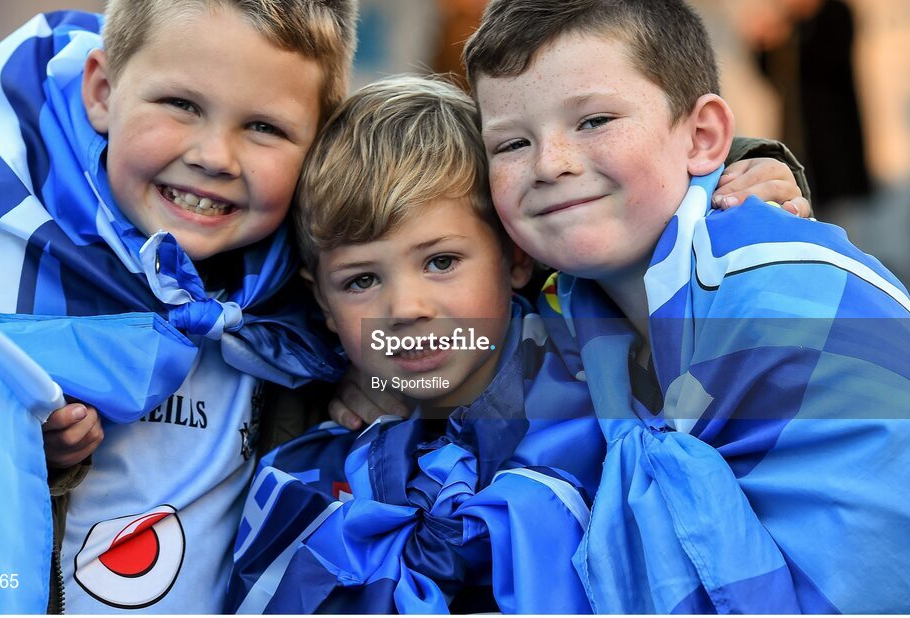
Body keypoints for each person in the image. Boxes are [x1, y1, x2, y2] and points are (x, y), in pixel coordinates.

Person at [0, 0, 356, 613]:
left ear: (320, 143)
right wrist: (22, 450)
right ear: (103, 91)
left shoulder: (313, 308)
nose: (212, 156)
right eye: (180, 104)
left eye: (264, 127)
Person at [226, 77, 812, 613]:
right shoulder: (306, 475)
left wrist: (742, 174)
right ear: (323, 305)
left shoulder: (620, 383)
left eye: (441, 261)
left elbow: (651, 224)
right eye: (361, 280)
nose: (404, 308)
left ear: (515, 255)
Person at [463, 0, 910, 613]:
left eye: (593, 121)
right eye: (510, 145)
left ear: (704, 137)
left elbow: (883, 576)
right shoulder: (576, 314)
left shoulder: (785, 304)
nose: (550, 164)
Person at [742, 0, 872, 213]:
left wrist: (786, 33)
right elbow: (774, 80)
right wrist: (758, 46)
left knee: (844, 230)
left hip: (834, 145)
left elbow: (828, 63)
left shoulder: (836, 10)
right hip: (798, 141)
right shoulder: (785, 19)